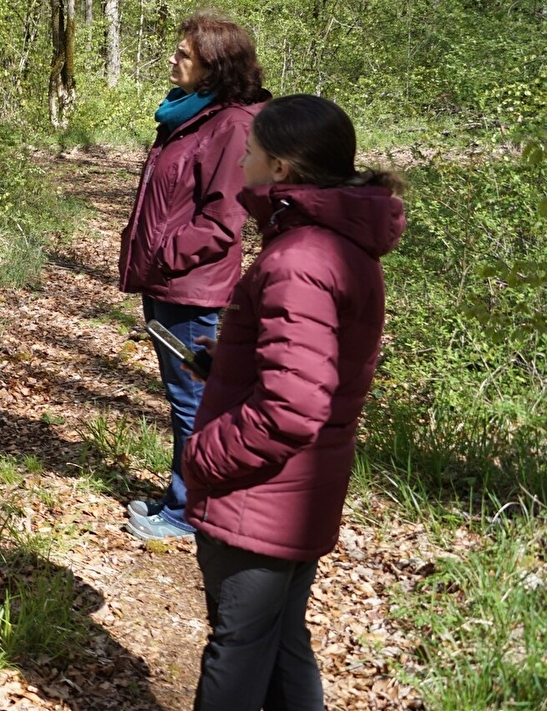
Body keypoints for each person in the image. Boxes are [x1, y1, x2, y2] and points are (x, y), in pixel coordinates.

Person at [183, 94, 406, 709]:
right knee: (280, 642)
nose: (241, 162)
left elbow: (292, 407)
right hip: (300, 488)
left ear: (280, 168)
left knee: (240, 647)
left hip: (262, 489)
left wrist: (203, 456)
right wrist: (225, 363)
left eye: (251, 152)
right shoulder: (333, 241)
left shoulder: (301, 256)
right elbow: (306, 372)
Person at [119, 11, 272, 542]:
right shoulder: (189, 114)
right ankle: (180, 495)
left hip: (192, 286)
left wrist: (165, 254)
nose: (172, 59)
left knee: (193, 399)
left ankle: (189, 513)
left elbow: (223, 220)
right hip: (168, 282)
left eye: (184, 54)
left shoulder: (231, 125)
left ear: (214, 66)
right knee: (181, 395)